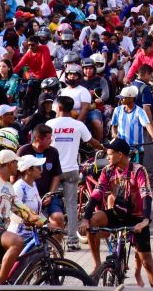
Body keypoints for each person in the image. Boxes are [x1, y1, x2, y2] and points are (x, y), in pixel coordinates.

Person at [80, 138, 153, 288]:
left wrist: (145, 220)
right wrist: (85, 218)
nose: (107, 157)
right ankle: (97, 263)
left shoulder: (138, 170)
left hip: (137, 219)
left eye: (110, 154)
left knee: (147, 262)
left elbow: (146, 195)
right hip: (118, 213)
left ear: (120, 155)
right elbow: (96, 194)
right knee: (92, 220)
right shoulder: (108, 170)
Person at [0, 149, 45, 283]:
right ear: (10, 164)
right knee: (16, 242)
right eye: (16, 163)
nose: (18, 166)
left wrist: (41, 221)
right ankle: (2, 286)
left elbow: (20, 208)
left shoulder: (8, 186)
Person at [46, 95, 103, 251]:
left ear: (59, 107)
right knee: (71, 206)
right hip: (71, 170)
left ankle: (48, 240)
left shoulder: (50, 124)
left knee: (46, 203)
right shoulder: (78, 125)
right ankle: (72, 241)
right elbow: (92, 142)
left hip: (52, 172)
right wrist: (105, 149)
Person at [16, 124, 64, 230]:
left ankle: (56, 246)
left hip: (47, 195)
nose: (51, 141)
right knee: (40, 224)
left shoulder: (53, 152)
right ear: (38, 138)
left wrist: (50, 194)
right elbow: (16, 175)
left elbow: (56, 175)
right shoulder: (23, 151)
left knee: (58, 219)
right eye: (48, 138)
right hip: (28, 197)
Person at [7, 155, 47, 239]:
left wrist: (45, 222)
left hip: (32, 233)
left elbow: (37, 211)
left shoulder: (33, 184)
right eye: (38, 167)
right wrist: (34, 221)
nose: (41, 170)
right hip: (19, 235)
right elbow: (13, 212)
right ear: (29, 170)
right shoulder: (19, 187)